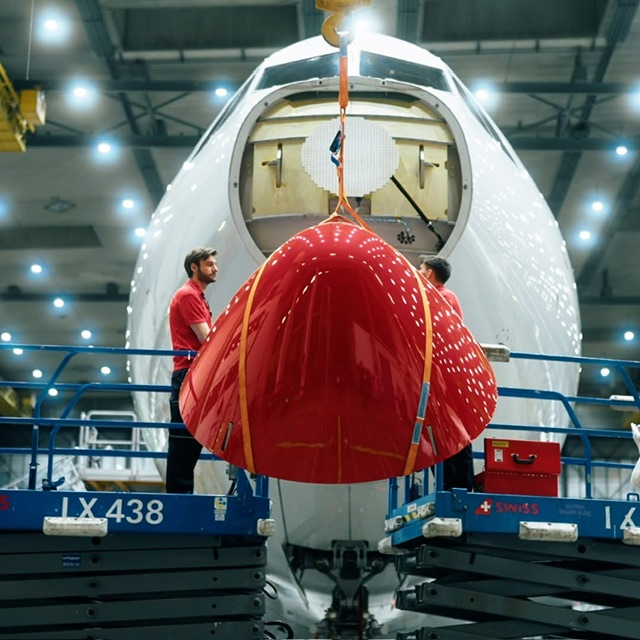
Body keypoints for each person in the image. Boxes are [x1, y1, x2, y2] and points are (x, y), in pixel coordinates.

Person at [418, 254, 474, 492]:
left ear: (430, 273)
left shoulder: (442, 298)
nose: (419, 272)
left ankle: (457, 488)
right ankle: (451, 486)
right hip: (442, 375)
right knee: (441, 432)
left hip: (445, 377)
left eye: (421, 269)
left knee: (450, 432)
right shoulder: (443, 298)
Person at [166, 247, 218, 493]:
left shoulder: (196, 296)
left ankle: (180, 494)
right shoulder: (188, 296)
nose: (215, 268)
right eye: (209, 264)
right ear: (194, 267)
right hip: (189, 372)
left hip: (193, 372)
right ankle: (179, 496)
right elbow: (206, 338)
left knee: (189, 438)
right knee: (184, 439)